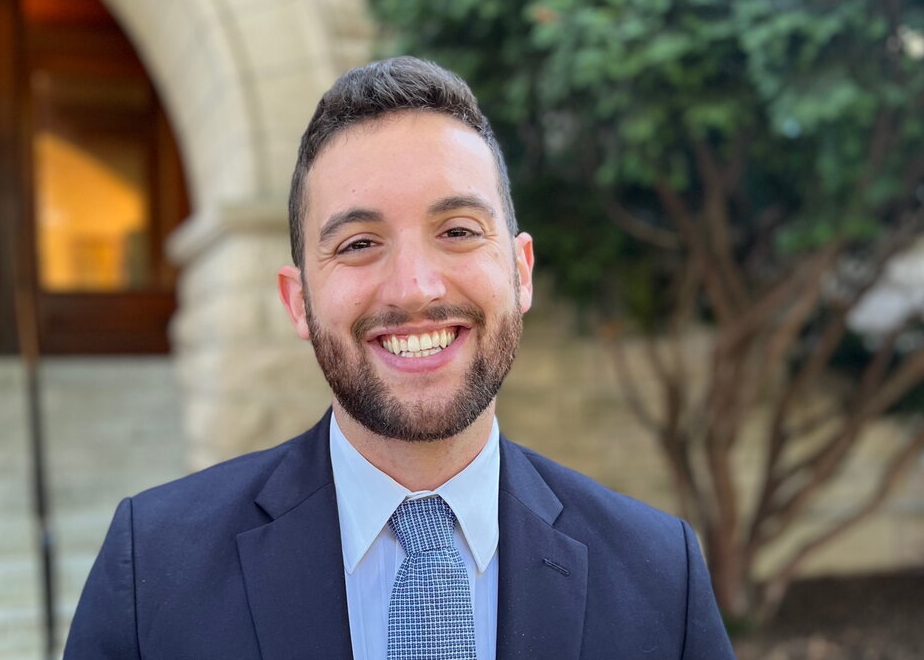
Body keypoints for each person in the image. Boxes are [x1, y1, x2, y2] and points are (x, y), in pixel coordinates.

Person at [63, 56, 735, 660]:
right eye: (358, 243)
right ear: (297, 301)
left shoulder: (659, 576)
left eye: (459, 231)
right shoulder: (150, 570)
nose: (416, 287)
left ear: (521, 271)